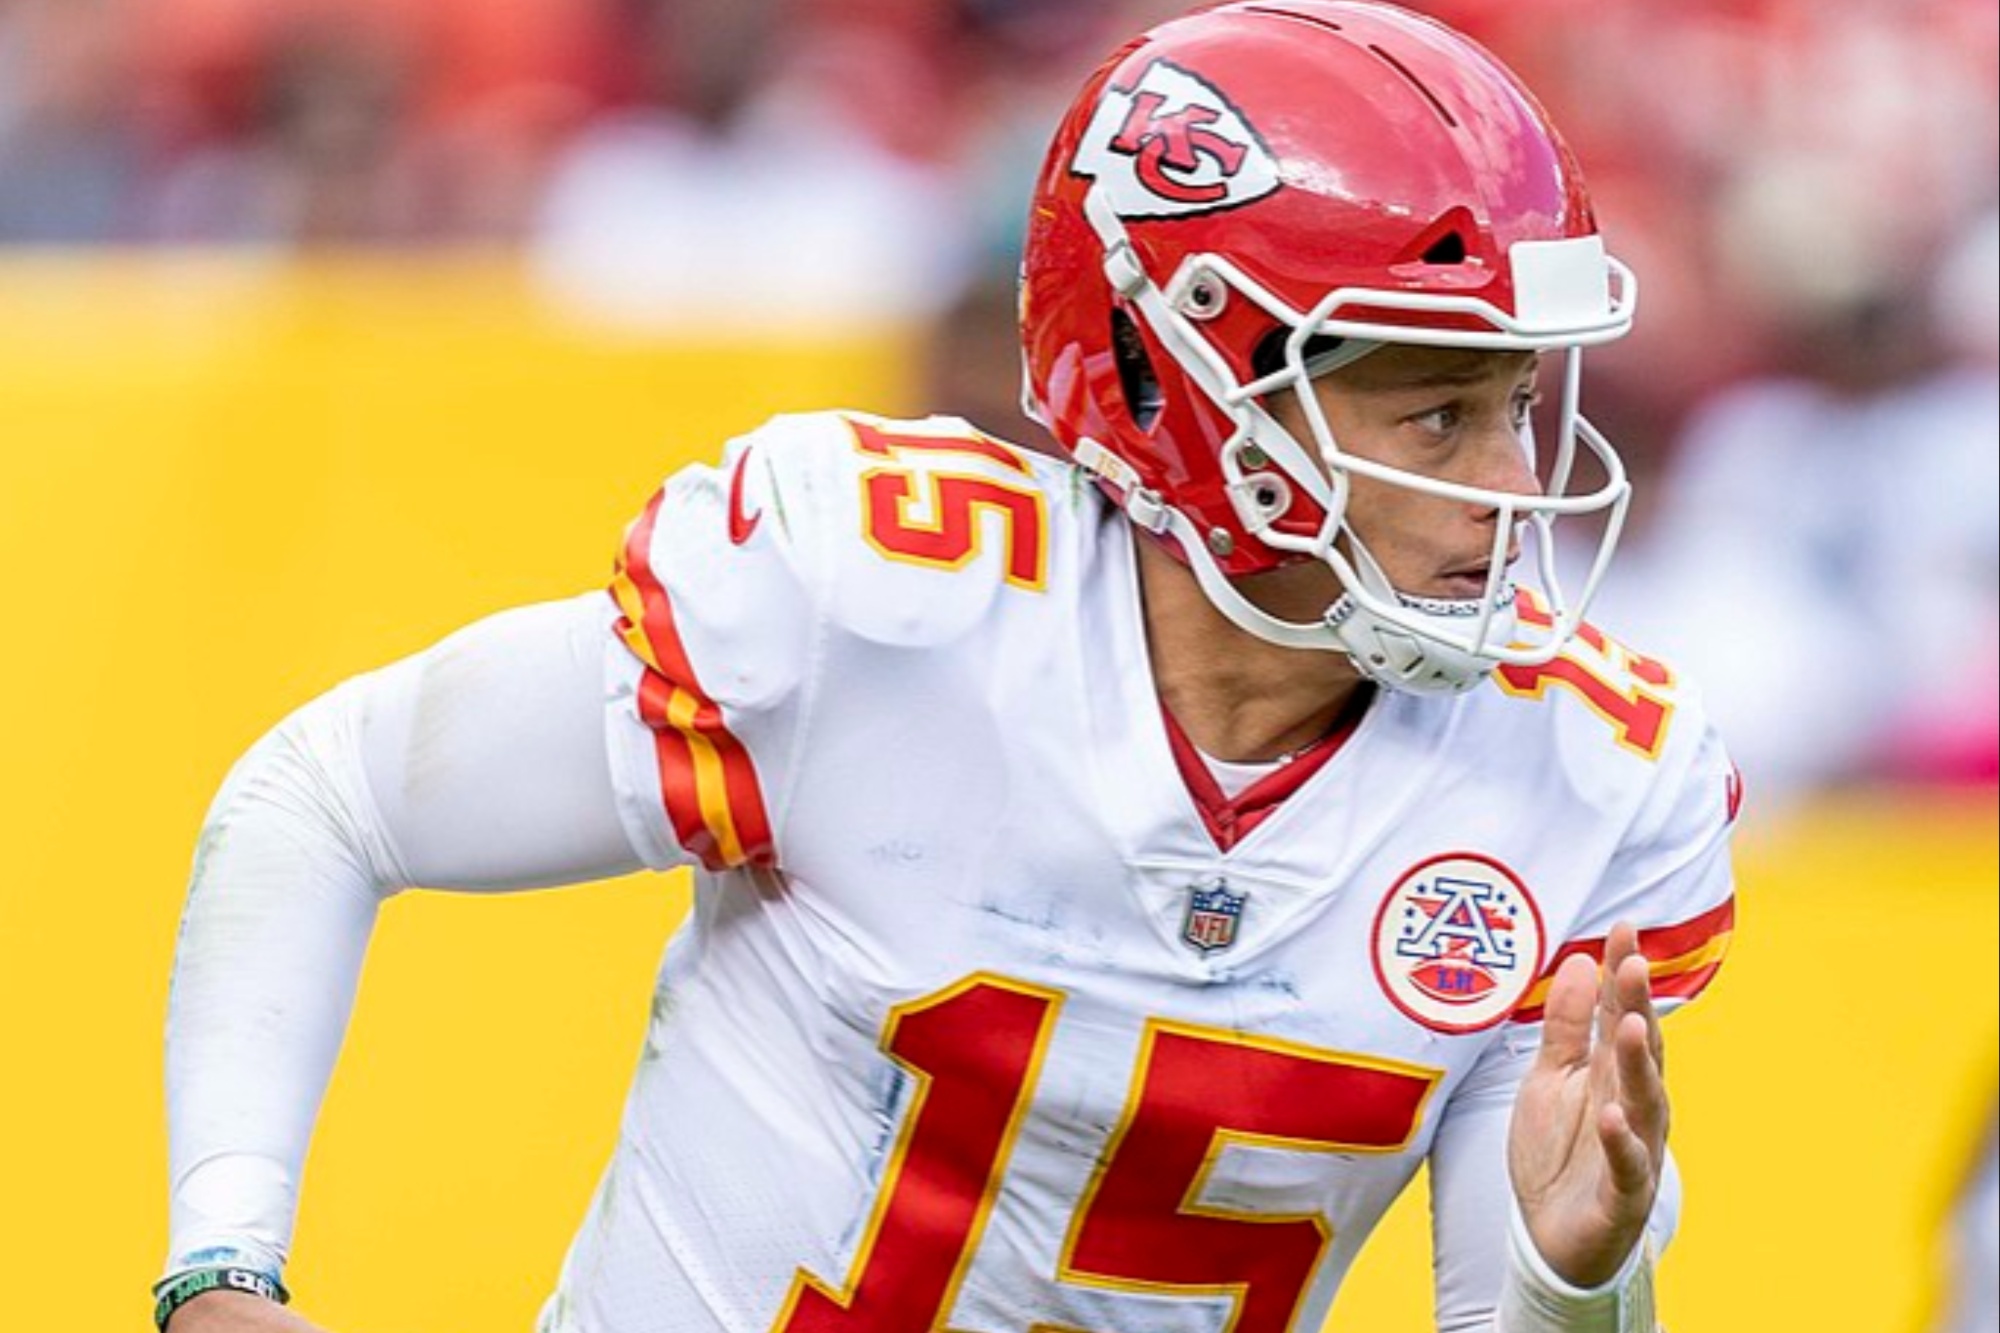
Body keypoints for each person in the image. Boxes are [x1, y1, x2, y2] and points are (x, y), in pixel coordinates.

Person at [156, 4, 1739, 1331]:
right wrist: (227, 1260)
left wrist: (1570, 1273)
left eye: (1518, 401)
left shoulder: (1586, 774)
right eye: (1435, 412)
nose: (1513, 481)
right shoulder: (878, 600)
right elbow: (330, 795)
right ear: (1171, 376)